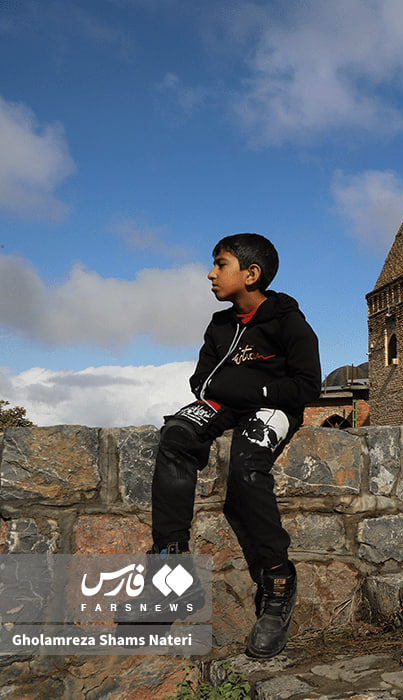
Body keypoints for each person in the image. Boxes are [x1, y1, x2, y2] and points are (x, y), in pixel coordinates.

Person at [149, 233, 321, 658]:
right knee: (175, 436)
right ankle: (169, 566)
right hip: (224, 406)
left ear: (251, 274)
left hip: (273, 408)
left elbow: (306, 386)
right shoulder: (220, 325)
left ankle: (278, 582)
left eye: (220, 264)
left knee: (246, 468)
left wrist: (247, 390)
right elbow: (202, 382)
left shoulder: (287, 321)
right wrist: (234, 390)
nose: (211, 273)